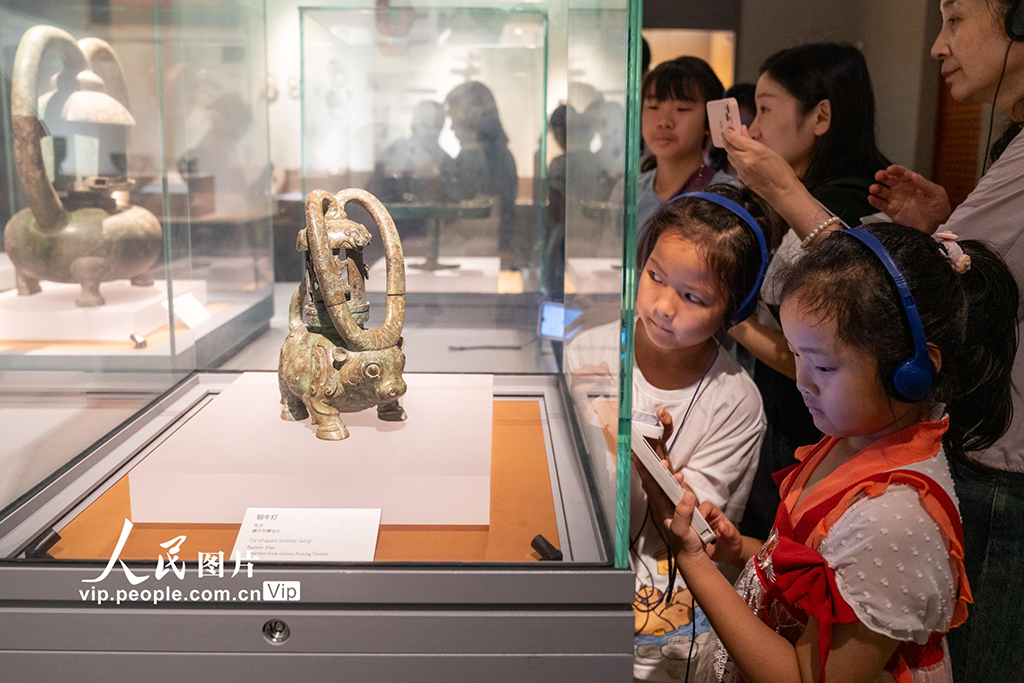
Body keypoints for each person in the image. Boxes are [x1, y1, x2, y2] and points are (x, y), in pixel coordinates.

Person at [638, 224, 1018, 683]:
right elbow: (820, 569)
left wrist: (694, 561)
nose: (802, 381)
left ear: (912, 371)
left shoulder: (896, 516)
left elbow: (806, 677)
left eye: (822, 364)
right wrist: (743, 551)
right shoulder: (853, 436)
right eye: (797, 355)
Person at [566, 184, 786, 682]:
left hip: (674, 631)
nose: (665, 306)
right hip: (587, 593)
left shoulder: (736, 401)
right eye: (655, 277)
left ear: (734, 311)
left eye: (693, 297)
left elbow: (690, 535)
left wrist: (638, 459)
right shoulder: (587, 351)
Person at [863, 2, 1024, 679]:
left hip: (1005, 471)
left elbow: (917, 291)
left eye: (956, 18)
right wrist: (947, 221)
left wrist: (785, 193)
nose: (938, 45)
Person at [722, 43, 892, 541]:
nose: (752, 129)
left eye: (767, 109)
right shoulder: (822, 194)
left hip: (816, 428)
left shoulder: (847, 204)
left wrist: (733, 319)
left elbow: (823, 350)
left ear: (820, 117)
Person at [636, 57, 733, 240]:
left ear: (709, 120)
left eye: (682, 109)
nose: (664, 122)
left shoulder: (727, 196)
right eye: (653, 107)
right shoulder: (630, 192)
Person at [443, 81, 519, 266]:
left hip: (477, 255)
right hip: (477, 254)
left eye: (455, 120)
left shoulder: (479, 157)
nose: (452, 128)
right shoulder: (500, 155)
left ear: (472, 118)